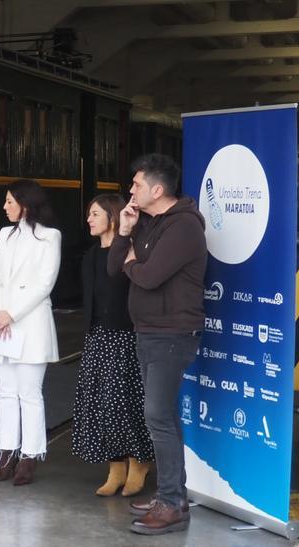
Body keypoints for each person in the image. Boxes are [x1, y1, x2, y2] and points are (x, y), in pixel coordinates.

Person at [107, 154, 207, 536]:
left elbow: (147, 277)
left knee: (158, 418)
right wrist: (124, 232)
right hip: (149, 331)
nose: (130, 190)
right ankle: (173, 496)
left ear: (157, 189)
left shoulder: (183, 228)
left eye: (136, 185)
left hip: (172, 334)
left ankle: (170, 504)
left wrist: (135, 264)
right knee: (163, 417)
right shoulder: (146, 223)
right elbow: (116, 268)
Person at [71, 193, 154, 497]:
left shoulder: (129, 251)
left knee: (127, 401)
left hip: (125, 335)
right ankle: (115, 466)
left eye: (95, 214)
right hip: (98, 336)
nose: (89, 219)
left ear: (112, 216)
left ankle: (139, 461)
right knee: (99, 403)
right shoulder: (90, 256)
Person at [0, 179, 61, 486]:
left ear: (25, 204)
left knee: (29, 393)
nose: (5, 207)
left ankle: (30, 454)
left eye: (10, 201)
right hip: (0, 325)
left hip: (28, 324)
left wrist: (10, 314)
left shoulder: (50, 237)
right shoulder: (5, 235)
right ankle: (7, 451)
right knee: (4, 393)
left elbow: (44, 283)